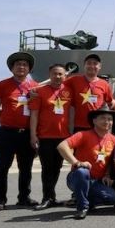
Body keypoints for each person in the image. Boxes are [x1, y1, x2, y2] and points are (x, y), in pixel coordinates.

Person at [0, 51, 39, 210]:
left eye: (25, 65)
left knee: (26, 168)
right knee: (1, 168)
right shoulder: (2, 85)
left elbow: (37, 111)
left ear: (29, 69)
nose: (21, 67)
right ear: (11, 68)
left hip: (26, 134)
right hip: (7, 133)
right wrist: (5, 122)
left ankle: (24, 197)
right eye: (17, 64)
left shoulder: (35, 86)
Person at [57, 108, 115, 219]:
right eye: (103, 118)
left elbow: (111, 161)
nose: (107, 122)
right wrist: (76, 162)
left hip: (98, 181)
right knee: (82, 171)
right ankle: (82, 207)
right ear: (94, 121)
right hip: (78, 178)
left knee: (111, 198)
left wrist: (107, 174)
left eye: (110, 119)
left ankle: (84, 198)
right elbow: (62, 146)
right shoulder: (83, 135)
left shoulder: (113, 139)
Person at [28, 62, 72, 210]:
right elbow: (34, 114)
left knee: (57, 167)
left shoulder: (69, 91)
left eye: (61, 74)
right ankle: (46, 197)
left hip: (63, 137)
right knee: (47, 168)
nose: (57, 76)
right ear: (49, 75)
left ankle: (52, 197)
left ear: (65, 76)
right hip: (45, 136)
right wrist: (33, 135)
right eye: (54, 73)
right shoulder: (39, 91)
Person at [65, 53, 114, 132]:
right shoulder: (74, 80)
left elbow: (110, 102)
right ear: (84, 66)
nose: (92, 66)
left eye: (95, 64)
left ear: (100, 67)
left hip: (98, 126)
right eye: (89, 63)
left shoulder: (104, 84)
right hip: (79, 126)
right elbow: (57, 84)